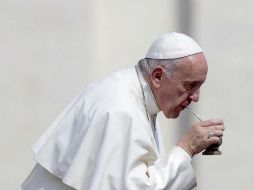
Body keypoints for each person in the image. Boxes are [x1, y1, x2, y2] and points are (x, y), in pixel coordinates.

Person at [19, 32, 225, 190]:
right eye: (190, 86)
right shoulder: (120, 109)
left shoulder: (136, 96)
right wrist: (186, 148)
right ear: (158, 76)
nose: (195, 97)